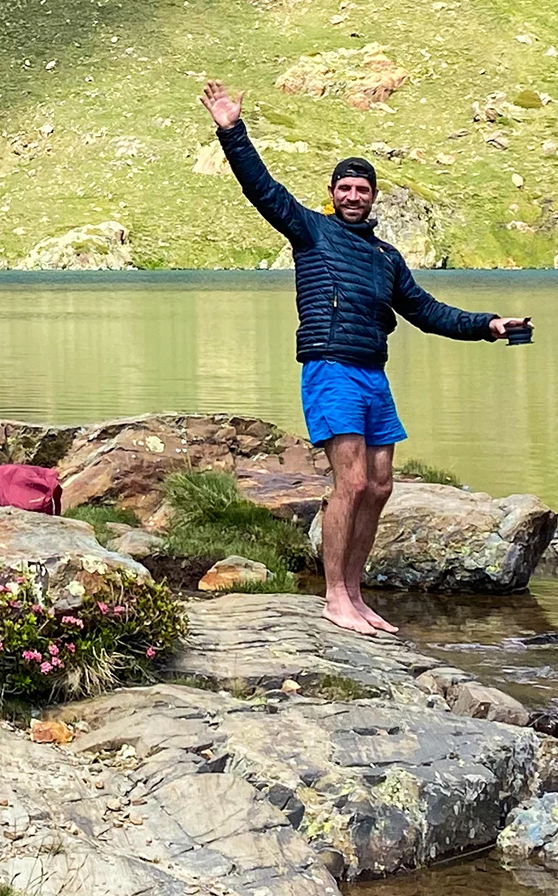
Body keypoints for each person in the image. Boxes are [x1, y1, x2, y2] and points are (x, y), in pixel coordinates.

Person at [201, 80, 523, 637]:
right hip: (330, 368)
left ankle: (354, 592)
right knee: (349, 483)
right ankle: (332, 598)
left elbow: (426, 310)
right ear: (332, 194)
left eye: (362, 189)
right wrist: (232, 129)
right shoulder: (310, 231)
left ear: (373, 196)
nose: (354, 196)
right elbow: (262, 187)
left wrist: (487, 326)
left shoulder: (385, 256)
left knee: (380, 486)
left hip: (374, 376)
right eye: (345, 188)